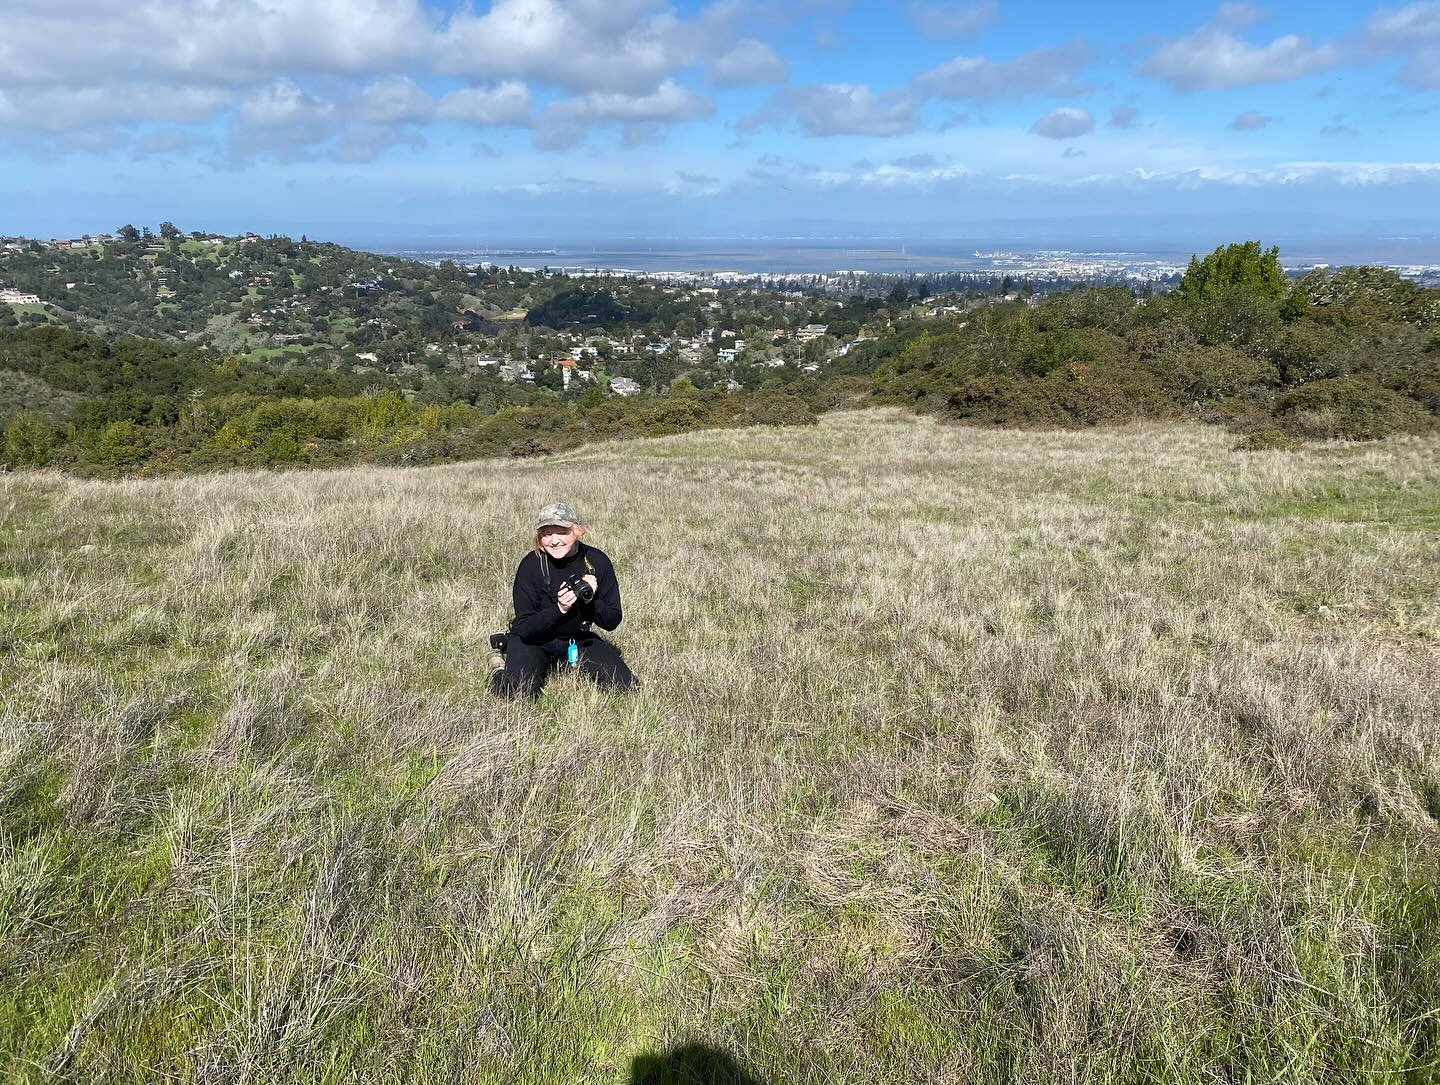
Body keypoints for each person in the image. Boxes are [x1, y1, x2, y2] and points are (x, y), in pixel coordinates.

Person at [488, 501, 635, 700]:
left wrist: (589, 600)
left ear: (577, 531)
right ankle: (497, 663)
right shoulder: (530, 565)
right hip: (534, 639)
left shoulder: (597, 561)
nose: (554, 540)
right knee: (516, 694)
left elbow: (612, 621)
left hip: (577, 638)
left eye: (562, 532)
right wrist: (560, 609)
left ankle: (563, 661)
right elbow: (524, 626)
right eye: (547, 533)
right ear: (539, 537)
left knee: (625, 687)